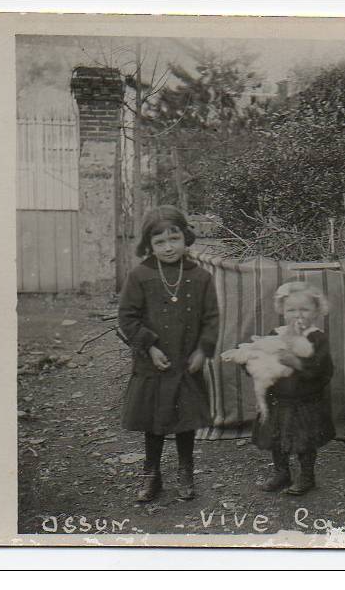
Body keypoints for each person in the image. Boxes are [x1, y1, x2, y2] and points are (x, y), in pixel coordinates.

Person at [117, 205, 219, 502]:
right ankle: (152, 476)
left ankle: (186, 472)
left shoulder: (201, 277)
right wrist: (148, 346)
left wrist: (203, 350)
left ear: (186, 238)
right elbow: (128, 316)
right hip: (155, 363)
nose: (168, 247)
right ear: (149, 245)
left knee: (185, 420)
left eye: (173, 239)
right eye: (159, 242)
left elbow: (212, 318)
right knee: (154, 421)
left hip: (187, 361)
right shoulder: (140, 276)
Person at [250, 282, 335, 496]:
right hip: (277, 398)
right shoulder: (275, 334)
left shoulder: (317, 338)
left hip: (305, 400)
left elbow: (323, 369)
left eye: (305, 309)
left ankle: (307, 475)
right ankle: (282, 473)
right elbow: (263, 362)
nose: (298, 315)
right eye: (291, 310)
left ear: (317, 311)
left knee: (304, 439)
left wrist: (295, 363)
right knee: (276, 438)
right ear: (282, 311)